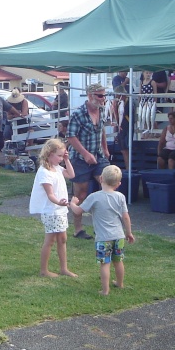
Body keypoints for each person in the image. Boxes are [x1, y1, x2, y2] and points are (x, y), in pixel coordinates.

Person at [69, 165, 135, 296]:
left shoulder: (94, 197)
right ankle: (120, 283)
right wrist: (129, 232)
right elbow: (125, 217)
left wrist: (72, 203)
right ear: (119, 183)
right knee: (118, 261)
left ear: (100, 178)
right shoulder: (120, 196)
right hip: (119, 236)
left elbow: (77, 211)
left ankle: (105, 291)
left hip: (103, 238)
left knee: (105, 264)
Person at [66, 83, 110, 240]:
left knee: (108, 184)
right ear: (90, 96)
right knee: (81, 193)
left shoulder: (102, 110)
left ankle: (105, 227)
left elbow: (102, 130)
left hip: (98, 155)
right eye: (100, 95)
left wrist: (104, 148)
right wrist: (85, 154)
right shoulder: (78, 114)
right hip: (80, 159)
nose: (103, 98)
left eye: (104, 95)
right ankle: (78, 229)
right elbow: (70, 136)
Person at [29, 138, 77, 278]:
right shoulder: (44, 172)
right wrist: (59, 202)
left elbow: (72, 175)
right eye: (60, 156)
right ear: (49, 154)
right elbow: (50, 194)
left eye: (63, 155)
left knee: (62, 239)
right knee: (50, 240)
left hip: (60, 210)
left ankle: (64, 268)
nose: (61, 159)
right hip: (51, 211)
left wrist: (67, 160)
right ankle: (44, 270)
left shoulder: (58, 168)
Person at [113, 86, 133, 169]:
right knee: (123, 150)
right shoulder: (119, 103)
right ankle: (127, 168)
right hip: (121, 129)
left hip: (127, 128)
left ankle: (128, 169)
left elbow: (127, 117)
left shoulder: (129, 103)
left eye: (117, 96)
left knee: (126, 150)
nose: (116, 98)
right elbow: (116, 118)